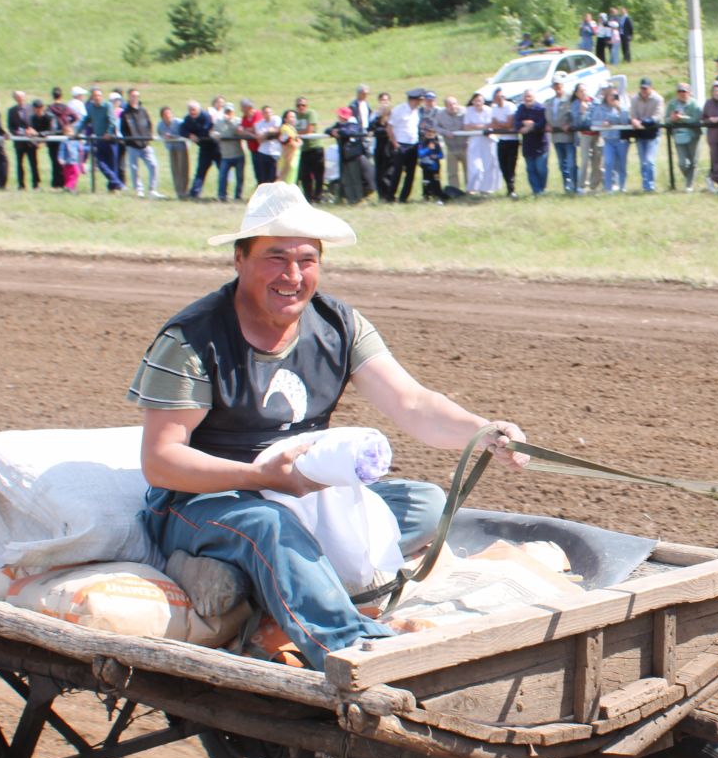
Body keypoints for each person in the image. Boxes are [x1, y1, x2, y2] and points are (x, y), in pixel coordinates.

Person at [131, 183, 528, 666]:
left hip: (302, 489)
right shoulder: (193, 338)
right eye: (275, 257)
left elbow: (411, 402)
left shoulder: (339, 324)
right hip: (209, 499)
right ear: (239, 259)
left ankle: (258, 572)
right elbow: (162, 460)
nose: (293, 275)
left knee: (426, 505)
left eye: (307, 260)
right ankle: (352, 648)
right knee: (268, 525)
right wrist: (259, 479)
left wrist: (482, 432)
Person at [590, 85, 630, 192]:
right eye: (611, 95)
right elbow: (593, 121)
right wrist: (602, 123)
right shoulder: (600, 108)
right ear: (606, 96)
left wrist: (619, 108)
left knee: (621, 164)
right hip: (608, 140)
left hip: (621, 140)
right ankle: (608, 187)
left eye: (615, 95)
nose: (613, 97)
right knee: (608, 163)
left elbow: (625, 121)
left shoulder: (622, 107)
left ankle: (622, 186)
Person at [384, 88, 422, 203]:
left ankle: (404, 197)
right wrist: (395, 144)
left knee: (411, 173)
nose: (420, 103)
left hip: (413, 144)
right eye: (419, 100)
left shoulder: (416, 111)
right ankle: (390, 196)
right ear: (413, 100)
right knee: (397, 172)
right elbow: (389, 128)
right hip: (401, 144)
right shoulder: (399, 110)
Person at [120, 88, 159, 198]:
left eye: (136, 96)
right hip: (132, 146)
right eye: (132, 96)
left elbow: (149, 124)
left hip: (145, 145)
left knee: (153, 165)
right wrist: (129, 140)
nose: (134, 98)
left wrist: (148, 138)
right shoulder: (125, 113)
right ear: (129, 97)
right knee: (134, 168)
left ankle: (152, 189)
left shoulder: (143, 111)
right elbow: (123, 129)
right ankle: (139, 190)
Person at [629, 77, 664, 193]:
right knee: (643, 161)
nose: (644, 91)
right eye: (642, 88)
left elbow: (657, 116)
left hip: (653, 134)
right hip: (640, 134)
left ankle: (651, 185)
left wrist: (643, 122)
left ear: (651, 88)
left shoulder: (658, 99)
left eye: (646, 88)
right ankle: (645, 184)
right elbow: (632, 114)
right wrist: (633, 120)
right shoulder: (634, 99)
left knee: (649, 160)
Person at [462, 91, 501, 193]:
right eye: (476, 101)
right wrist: (481, 127)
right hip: (475, 140)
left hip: (488, 140)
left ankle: (486, 188)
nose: (478, 103)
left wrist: (475, 126)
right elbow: (466, 127)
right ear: (473, 101)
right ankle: (473, 187)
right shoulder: (469, 111)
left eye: (480, 100)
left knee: (488, 165)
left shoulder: (489, 110)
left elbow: (491, 125)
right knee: (475, 167)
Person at [665, 82, 701, 189]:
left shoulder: (694, 104)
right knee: (682, 163)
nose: (681, 93)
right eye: (679, 91)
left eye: (684, 91)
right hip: (678, 136)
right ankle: (690, 178)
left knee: (693, 161)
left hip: (693, 135)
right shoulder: (672, 104)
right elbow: (666, 119)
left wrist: (682, 118)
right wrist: (671, 119)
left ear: (689, 92)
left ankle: (689, 185)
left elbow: (696, 118)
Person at [545, 77, 577, 195]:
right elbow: (548, 116)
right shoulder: (550, 101)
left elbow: (574, 114)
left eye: (559, 85)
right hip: (556, 137)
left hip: (568, 136)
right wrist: (548, 124)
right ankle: (566, 186)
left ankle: (574, 185)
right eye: (555, 85)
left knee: (571, 163)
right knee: (562, 164)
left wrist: (569, 124)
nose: (557, 88)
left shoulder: (569, 99)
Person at [515, 89, 549, 196]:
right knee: (530, 169)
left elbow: (542, 124)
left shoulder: (541, 109)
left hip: (540, 144)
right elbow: (516, 123)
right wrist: (525, 123)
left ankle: (542, 188)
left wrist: (530, 126)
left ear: (534, 97)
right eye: (526, 97)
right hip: (528, 145)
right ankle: (536, 191)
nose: (527, 99)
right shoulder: (521, 108)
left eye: (530, 97)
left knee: (541, 169)